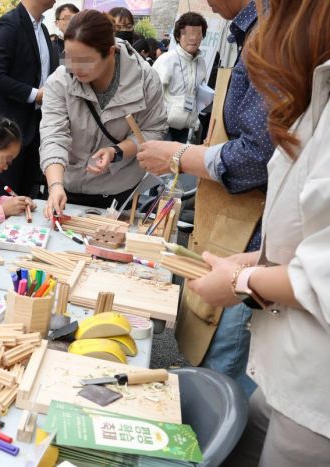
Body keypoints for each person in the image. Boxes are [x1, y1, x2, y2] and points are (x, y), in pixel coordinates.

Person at [188, 1, 330, 464]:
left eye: (273, 12)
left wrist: (238, 281)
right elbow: (304, 247)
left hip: (314, 391)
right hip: (284, 374)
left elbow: (318, 278)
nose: (263, 27)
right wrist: (246, 264)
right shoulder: (315, 98)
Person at [136, 0, 275, 397]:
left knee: (222, 378)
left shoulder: (269, 34)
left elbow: (257, 156)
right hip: (238, 235)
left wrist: (180, 156)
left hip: (252, 234)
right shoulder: (249, 31)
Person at [41, 10, 167, 216]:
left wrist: (115, 152)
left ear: (110, 52)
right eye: (69, 56)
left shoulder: (145, 79)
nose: (74, 67)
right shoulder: (60, 80)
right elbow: (53, 135)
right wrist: (55, 185)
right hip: (70, 185)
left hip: (120, 189)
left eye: (85, 60)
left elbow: (153, 129)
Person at [0, 0, 59, 198]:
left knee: (26, 195)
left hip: (35, 127)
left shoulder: (42, 29)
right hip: (8, 128)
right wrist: (35, 94)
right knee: (4, 195)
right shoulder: (10, 23)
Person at [152, 12, 208, 143]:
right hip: (164, 128)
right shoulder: (167, 60)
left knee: (176, 163)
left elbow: (199, 93)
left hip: (186, 128)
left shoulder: (201, 62)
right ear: (178, 36)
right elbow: (152, 95)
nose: (193, 38)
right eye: (187, 34)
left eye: (198, 33)